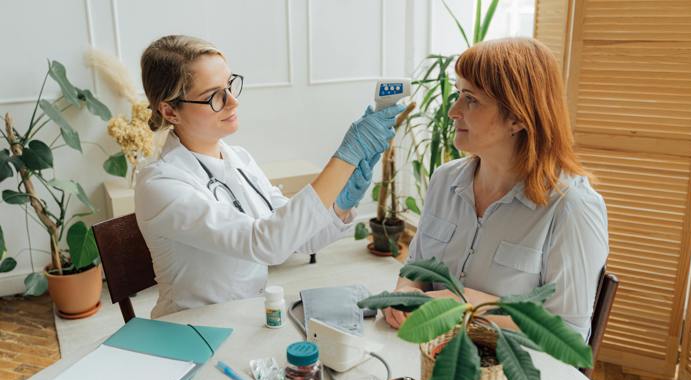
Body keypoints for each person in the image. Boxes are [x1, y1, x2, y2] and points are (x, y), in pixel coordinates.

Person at [134, 35, 404, 318]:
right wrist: (345, 158)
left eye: (229, 85)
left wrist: (342, 202)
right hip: (192, 328)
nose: (233, 102)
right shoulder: (160, 184)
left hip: (247, 316)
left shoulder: (239, 159)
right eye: (214, 96)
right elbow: (266, 244)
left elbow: (298, 239)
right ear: (169, 110)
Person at [383, 38, 608, 341]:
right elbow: (416, 270)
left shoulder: (572, 208)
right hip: (431, 353)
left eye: (471, 99)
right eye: (458, 95)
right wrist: (405, 294)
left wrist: (463, 303)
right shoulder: (443, 181)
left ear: (517, 118)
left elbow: (568, 333)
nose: (453, 111)